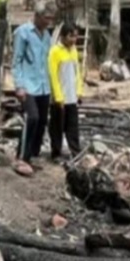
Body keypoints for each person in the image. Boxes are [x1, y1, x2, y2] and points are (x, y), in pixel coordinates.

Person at [12, 0, 57, 172]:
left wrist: (51, 88)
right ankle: (21, 157)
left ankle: (32, 156)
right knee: (32, 118)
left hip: (43, 85)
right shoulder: (23, 33)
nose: (48, 21)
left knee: (42, 121)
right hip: (28, 85)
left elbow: (46, 62)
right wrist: (19, 86)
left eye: (51, 18)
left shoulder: (46, 35)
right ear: (37, 15)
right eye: (46, 17)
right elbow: (16, 61)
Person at [48, 23, 83, 160]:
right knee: (57, 127)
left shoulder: (73, 50)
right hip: (60, 98)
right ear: (63, 36)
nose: (74, 39)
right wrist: (58, 97)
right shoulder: (54, 51)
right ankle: (56, 152)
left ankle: (76, 152)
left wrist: (79, 91)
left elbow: (77, 72)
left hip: (72, 96)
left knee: (73, 126)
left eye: (75, 36)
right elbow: (53, 75)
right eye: (71, 36)